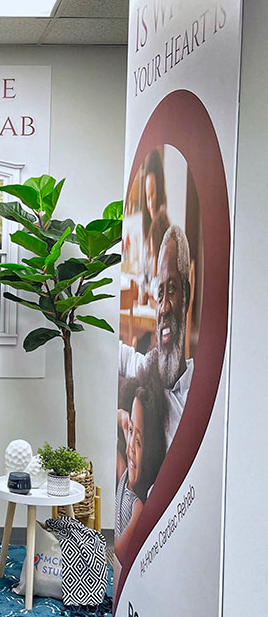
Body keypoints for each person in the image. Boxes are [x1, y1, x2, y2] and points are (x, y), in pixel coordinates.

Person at [119, 225, 193, 448]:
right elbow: (116, 354)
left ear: (187, 297)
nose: (163, 308)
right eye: (159, 294)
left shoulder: (196, 391)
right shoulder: (146, 367)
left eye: (172, 289)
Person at [114, 382, 166, 559]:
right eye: (130, 431)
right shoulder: (125, 478)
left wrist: (126, 426)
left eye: (139, 442)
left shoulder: (138, 507)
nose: (130, 447)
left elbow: (119, 551)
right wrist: (122, 418)